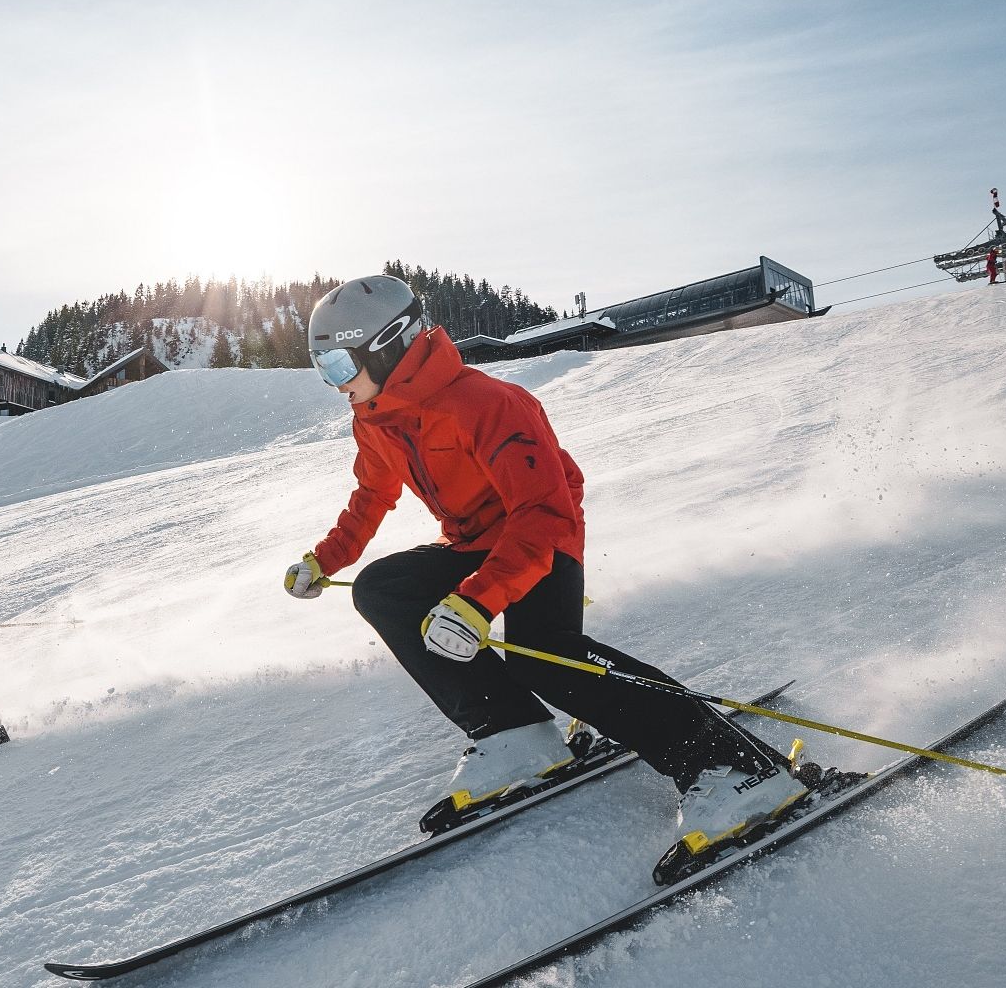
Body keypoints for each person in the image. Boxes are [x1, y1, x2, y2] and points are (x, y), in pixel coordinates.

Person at [283, 274, 807, 862]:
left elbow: (542, 513)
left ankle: (737, 768)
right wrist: (325, 560)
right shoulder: (378, 418)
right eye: (323, 370)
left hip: (542, 536)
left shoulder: (490, 403)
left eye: (337, 366)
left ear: (391, 345)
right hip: (473, 544)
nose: (336, 385)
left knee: (547, 655)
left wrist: (477, 602)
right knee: (385, 589)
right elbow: (372, 495)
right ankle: (513, 736)